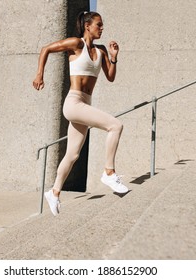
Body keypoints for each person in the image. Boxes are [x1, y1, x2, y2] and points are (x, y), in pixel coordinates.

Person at [33, 11, 128, 216]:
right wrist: (40, 73)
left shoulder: (101, 50)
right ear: (87, 25)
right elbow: (46, 49)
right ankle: (109, 172)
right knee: (115, 125)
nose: (102, 28)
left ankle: (54, 192)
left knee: (72, 154)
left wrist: (114, 58)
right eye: (98, 25)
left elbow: (110, 77)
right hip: (74, 102)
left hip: (85, 103)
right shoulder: (76, 44)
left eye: (102, 25)